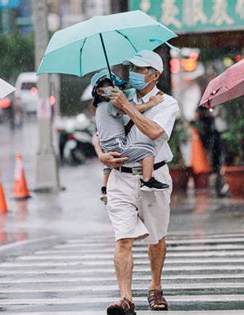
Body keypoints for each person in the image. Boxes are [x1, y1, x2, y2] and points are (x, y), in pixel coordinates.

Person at [93, 50, 178, 314]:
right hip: (121, 176)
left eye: (141, 70)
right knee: (123, 239)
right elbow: (100, 129)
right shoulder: (119, 94)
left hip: (154, 175)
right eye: (132, 68)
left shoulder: (167, 103)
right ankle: (125, 298)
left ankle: (155, 287)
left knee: (156, 237)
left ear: (155, 74)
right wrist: (101, 155)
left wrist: (128, 107)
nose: (134, 74)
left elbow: (155, 132)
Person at [91, 69, 168, 205]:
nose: (115, 90)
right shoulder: (110, 105)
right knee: (149, 150)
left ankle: (104, 189)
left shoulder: (100, 108)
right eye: (110, 86)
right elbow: (131, 109)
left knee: (108, 166)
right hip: (117, 146)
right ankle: (147, 180)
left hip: (107, 146)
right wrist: (151, 103)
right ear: (100, 92)